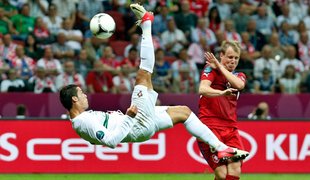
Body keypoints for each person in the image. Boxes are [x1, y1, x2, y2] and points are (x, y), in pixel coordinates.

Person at [59, 4, 248, 163]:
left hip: (139, 126)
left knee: (184, 112)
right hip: (136, 123)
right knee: (143, 75)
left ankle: (222, 149)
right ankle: (147, 23)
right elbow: (110, 142)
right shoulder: (82, 122)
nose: (85, 95)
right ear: (74, 99)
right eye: (81, 93)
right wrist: (129, 117)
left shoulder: (82, 118)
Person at [198, 41, 249, 180]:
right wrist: (221, 93)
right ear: (221, 55)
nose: (233, 61)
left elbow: (239, 85)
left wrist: (220, 66)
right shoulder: (210, 70)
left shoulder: (239, 75)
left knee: (235, 169)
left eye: (236, 58)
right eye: (230, 57)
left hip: (230, 129)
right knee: (221, 174)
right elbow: (202, 89)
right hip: (210, 127)